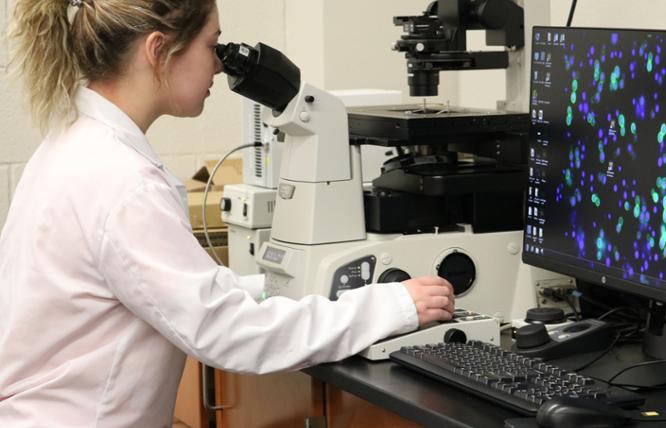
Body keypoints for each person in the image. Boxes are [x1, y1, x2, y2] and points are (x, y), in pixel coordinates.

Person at [0, 1, 455, 426]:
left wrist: (295, 288)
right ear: (158, 50)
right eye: (210, 44)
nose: (219, 61)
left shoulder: (73, 144)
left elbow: (167, 292)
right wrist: (390, 305)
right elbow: (227, 330)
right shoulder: (123, 182)